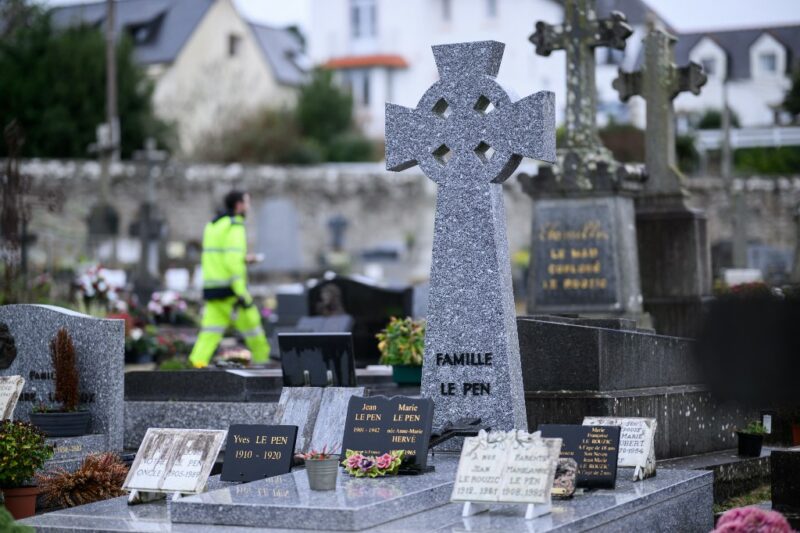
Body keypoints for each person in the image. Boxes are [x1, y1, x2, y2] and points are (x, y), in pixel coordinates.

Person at [188, 190, 270, 368]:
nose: (248, 207)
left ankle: (195, 367)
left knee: (209, 333)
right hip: (232, 290)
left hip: (213, 288)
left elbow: (219, 257)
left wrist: (243, 259)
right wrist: (240, 292)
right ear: (239, 205)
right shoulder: (235, 226)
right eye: (247, 203)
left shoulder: (214, 225)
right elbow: (232, 260)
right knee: (254, 329)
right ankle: (265, 368)